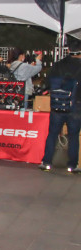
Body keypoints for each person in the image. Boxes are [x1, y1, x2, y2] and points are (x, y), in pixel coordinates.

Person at [38, 45, 81, 173]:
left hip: (57, 105)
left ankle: (46, 162)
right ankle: (72, 165)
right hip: (76, 106)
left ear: (68, 50)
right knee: (73, 136)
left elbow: (47, 83)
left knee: (52, 134)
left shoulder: (58, 65)